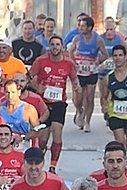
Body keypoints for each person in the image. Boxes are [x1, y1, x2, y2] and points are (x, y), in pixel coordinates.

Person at [31, 36, 80, 172]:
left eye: (57, 44)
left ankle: (52, 166)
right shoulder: (40, 61)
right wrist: (37, 88)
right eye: (52, 44)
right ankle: (39, 159)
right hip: (42, 104)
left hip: (59, 103)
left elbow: (75, 81)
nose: (55, 47)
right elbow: (29, 78)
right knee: (43, 138)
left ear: (62, 47)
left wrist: (77, 90)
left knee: (57, 132)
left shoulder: (68, 63)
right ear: (49, 47)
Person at [69, 16, 106, 133]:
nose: (80, 28)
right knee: (78, 98)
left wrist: (98, 61)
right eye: (79, 25)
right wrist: (74, 63)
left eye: (83, 26)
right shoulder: (77, 38)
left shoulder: (98, 40)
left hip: (91, 72)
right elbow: (70, 52)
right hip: (79, 72)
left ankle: (87, 122)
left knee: (89, 98)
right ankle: (79, 110)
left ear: (89, 27)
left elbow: (105, 55)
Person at [0, 79, 41, 147]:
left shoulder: (28, 109)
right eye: (7, 92)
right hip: (3, 147)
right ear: (4, 93)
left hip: (22, 147)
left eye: (13, 92)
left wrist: (23, 137)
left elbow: (37, 131)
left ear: (19, 92)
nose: (10, 96)